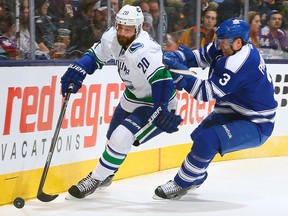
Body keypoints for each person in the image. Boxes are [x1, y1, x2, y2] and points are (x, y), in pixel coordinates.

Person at [60, 4, 183, 199]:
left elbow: (163, 81)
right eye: (120, 27)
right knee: (111, 136)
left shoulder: (145, 50)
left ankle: (95, 178)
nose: (122, 33)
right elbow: (95, 55)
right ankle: (108, 173)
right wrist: (79, 69)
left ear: (139, 28)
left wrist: (161, 110)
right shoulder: (112, 37)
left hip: (156, 102)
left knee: (121, 136)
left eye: (128, 29)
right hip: (132, 96)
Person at [154, 17, 278, 199]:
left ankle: (180, 184)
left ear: (237, 42)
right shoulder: (229, 45)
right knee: (198, 137)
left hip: (256, 123)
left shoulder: (241, 63)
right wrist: (177, 56)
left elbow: (205, 93)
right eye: (219, 41)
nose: (219, 46)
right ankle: (195, 177)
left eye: (223, 43)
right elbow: (198, 57)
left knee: (207, 139)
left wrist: (180, 74)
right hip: (233, 110)